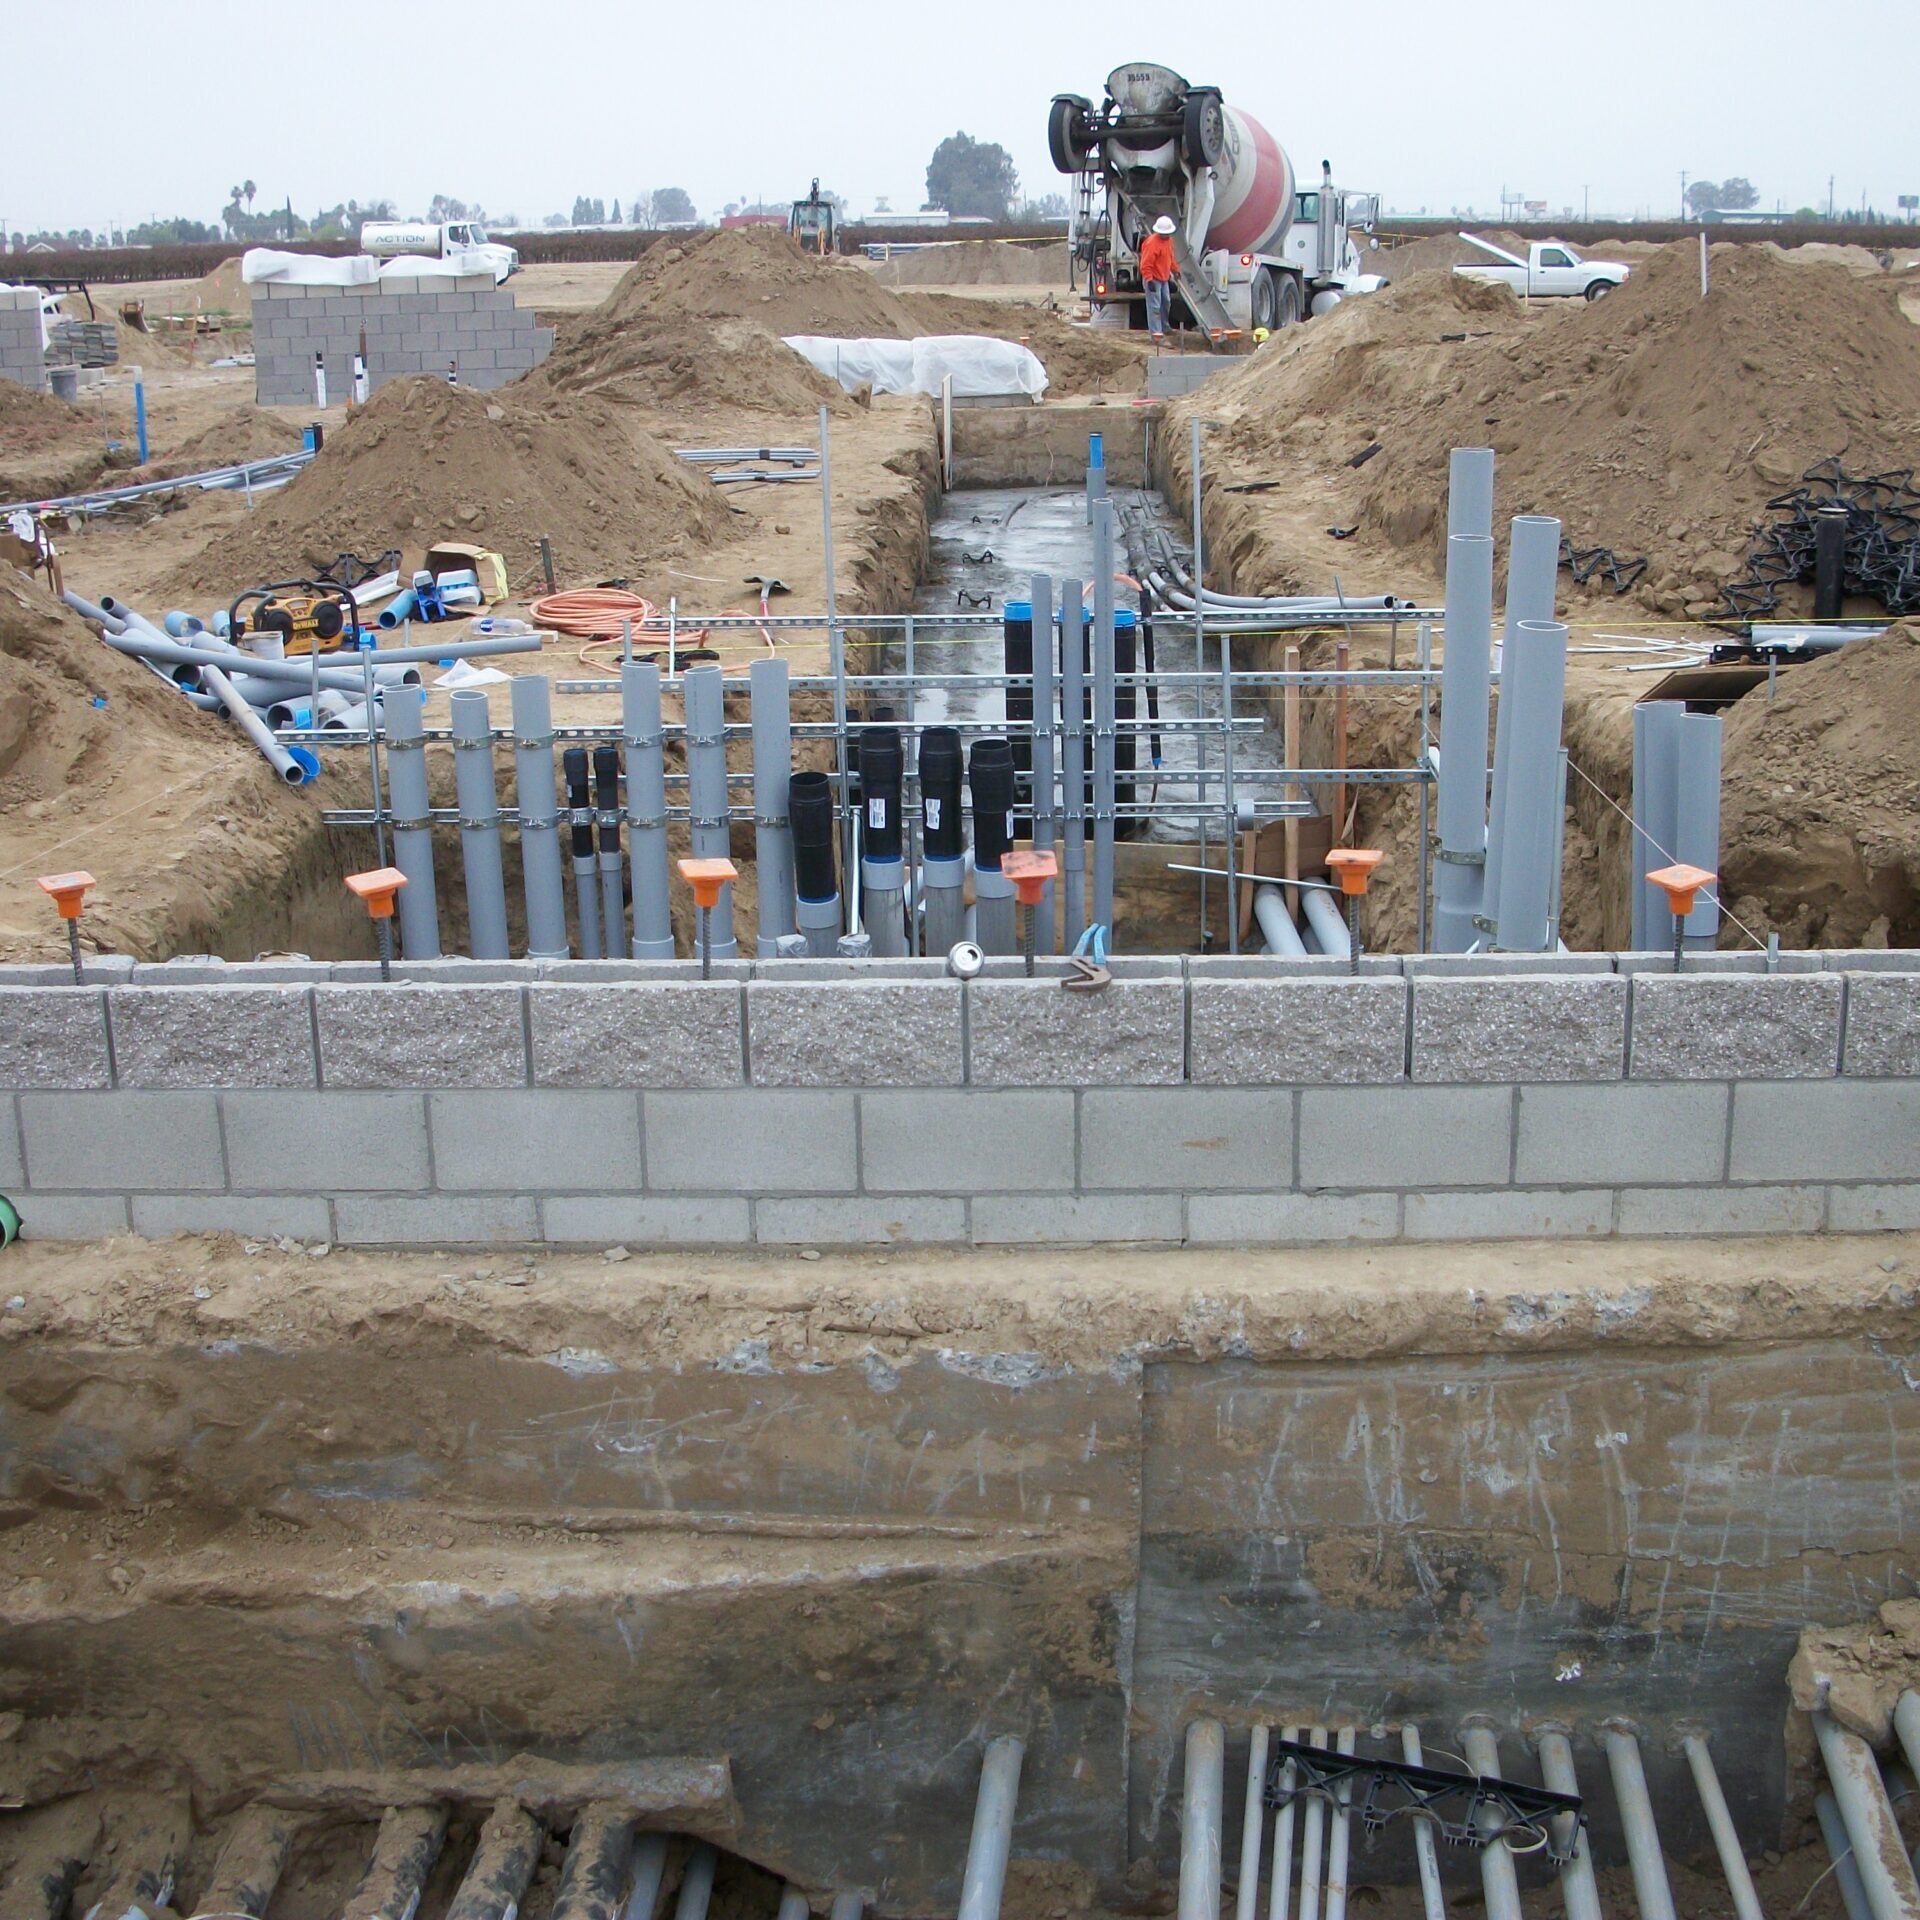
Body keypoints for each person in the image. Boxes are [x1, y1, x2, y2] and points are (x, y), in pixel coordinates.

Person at [1139, 214, 1177, 341]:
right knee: (1154, 307)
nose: (1166, 236)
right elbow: (1146, 264)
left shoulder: (1169, 241)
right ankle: (1156, 336)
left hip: (1164, 278)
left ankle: (1165, 327)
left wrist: (1175, 270)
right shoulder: (1152, 244)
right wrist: (1149, 280)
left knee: (1166, 302)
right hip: (1153, 279)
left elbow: (1170, 257)